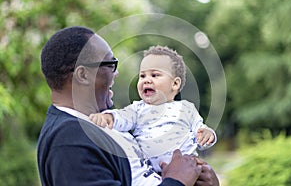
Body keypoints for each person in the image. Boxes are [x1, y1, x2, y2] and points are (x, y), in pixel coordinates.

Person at [37, 26, 220, 186]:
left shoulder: (101, 125)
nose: (115, 74)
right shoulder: (68, 141)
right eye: (110, 65)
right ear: (83, 75)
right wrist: (177, 181)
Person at [89, 45, 217, 172]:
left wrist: (207, 134)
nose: (147, 80)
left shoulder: (186, 108)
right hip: (152, 173)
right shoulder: (137, 109)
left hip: (186, 170)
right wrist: (108, 117)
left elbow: (199, 132)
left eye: (155, 75)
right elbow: (122, 117)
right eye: (142, 76)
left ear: (175, 83)